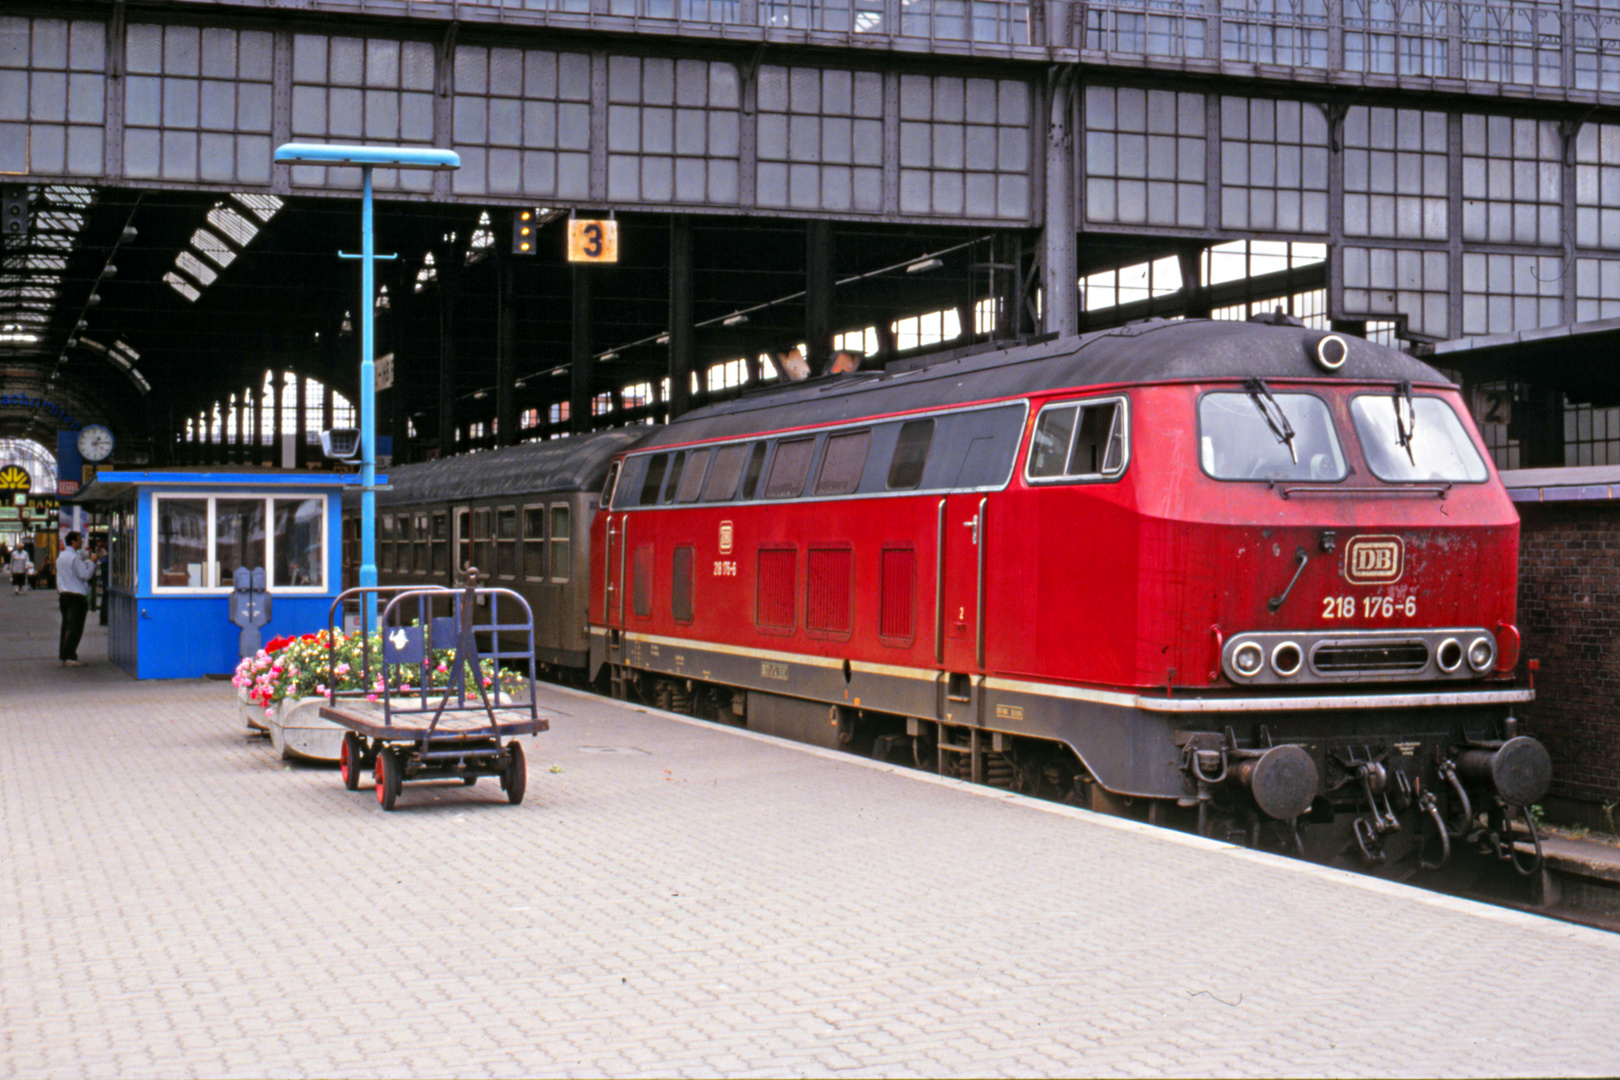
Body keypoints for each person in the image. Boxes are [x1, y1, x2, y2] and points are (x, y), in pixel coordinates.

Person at [55, 531, 98, 667]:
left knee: (66, 626)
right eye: (79, 540)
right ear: (73, 542)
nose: (81, 543)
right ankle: (70, 656)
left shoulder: (61, 557)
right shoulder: (74, 558)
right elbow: (85, 575)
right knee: (76, 628)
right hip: (77, 596)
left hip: (64, 595)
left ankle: (64, 655)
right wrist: (92, 562)